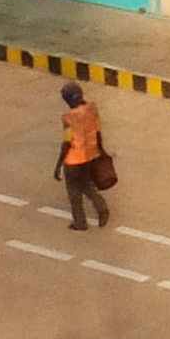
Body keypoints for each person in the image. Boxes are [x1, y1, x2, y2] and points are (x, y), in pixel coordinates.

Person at [56, 82, 110, 230]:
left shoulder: (68, 118)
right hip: (90, 155)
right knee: (86, 184)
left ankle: (80, 223)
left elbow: (67, 142)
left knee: (74, 191)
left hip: (73, 160)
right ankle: (101, 207)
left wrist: (59, 164)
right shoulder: (92, 109)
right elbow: (98, 132)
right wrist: (101, 150)